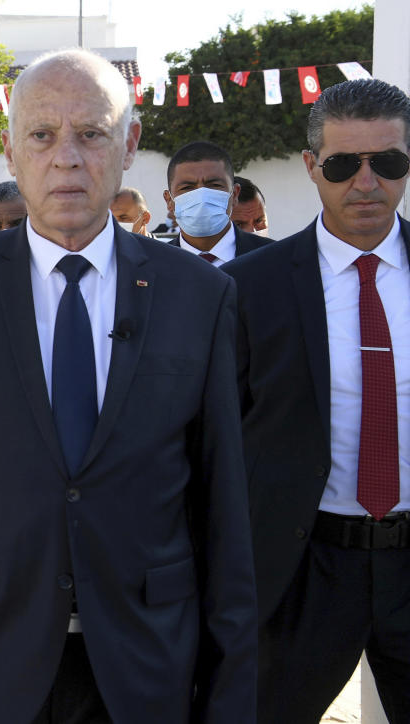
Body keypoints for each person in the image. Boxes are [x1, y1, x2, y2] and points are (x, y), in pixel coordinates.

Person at [0, 48, 256, 724]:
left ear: (130, 143)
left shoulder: (199, 295)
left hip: (143, 661)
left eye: (92, 133)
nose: (67, 157)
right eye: (43, 135)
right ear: (10, 150)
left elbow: (220, 500)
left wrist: (229, 691)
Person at [223, 78, 410, 723]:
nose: (366, 183)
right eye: (342, 165)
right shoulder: (249, 288)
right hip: (300, 569)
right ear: (311, 167)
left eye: (387, 163)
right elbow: (213, 438)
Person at [163, 141, 268, 266]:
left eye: (214, 185)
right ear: (169, 200)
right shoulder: (153, 265)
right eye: (187, 187)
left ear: (234, 194)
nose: (202, 196)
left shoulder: (274, 258)